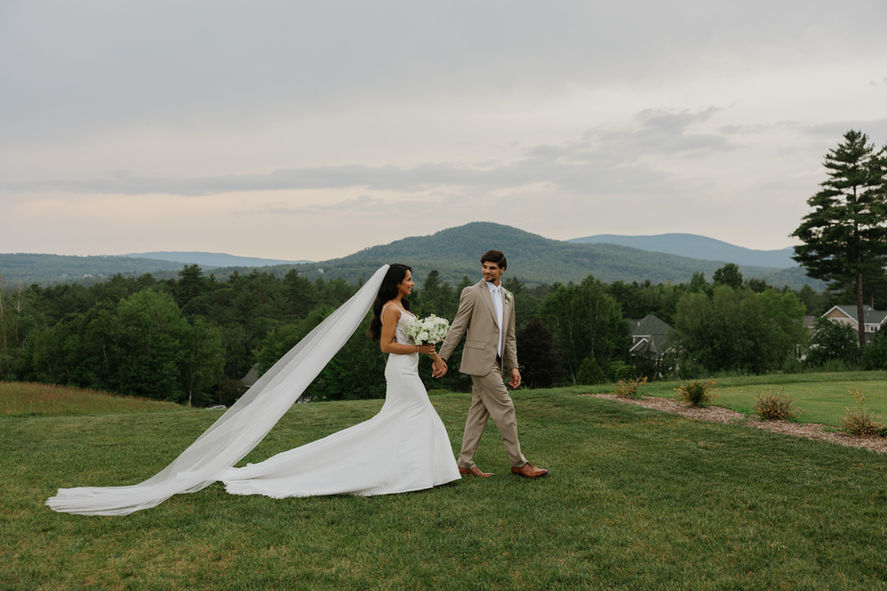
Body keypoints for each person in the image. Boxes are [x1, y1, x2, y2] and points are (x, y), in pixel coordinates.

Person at [221, 263, 460, 498]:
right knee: (420, 413)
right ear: (396, 283)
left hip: (409, 369)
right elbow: (386, 345)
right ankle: (416, 472)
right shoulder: (390, 309)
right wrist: (419, 349)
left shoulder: (402, 306)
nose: (412, 283)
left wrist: (436, 357)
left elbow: (415, 342)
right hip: (401, 372)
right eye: (408, 279)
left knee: (406, 418)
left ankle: (417, 471)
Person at [434, 250, 548, 479]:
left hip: (497, 363)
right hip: (480, 361)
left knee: (479, 412)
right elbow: (458, 327)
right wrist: (442, 357)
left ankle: (465, 463)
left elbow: (510, 335)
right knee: (505, 407)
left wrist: (514, 366)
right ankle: (519, 463)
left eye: (492, 268)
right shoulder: (472, 293)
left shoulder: (508, 297)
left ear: (502, 270)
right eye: (484, 267)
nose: (487, 271)